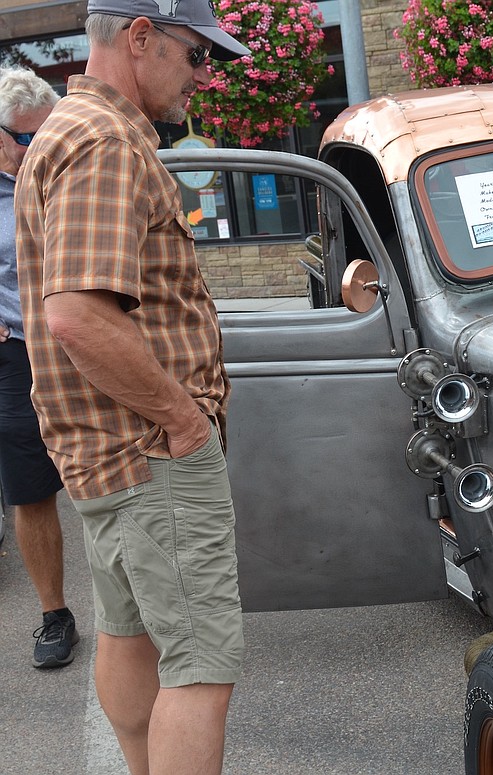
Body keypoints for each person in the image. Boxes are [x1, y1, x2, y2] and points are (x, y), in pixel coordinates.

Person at [14, 1, 248, 773]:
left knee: (127, 630)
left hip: (109, 453)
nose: (201, 76)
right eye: (196, 54)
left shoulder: (67, 132)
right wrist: (183, 421)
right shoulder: (106, 141)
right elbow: (78, 316)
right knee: (200, 665)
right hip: (152, 455)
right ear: (141, 37)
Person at [0, 67, 80, 670]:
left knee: (121, 469)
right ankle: (54, 614)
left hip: (86, 344)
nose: (36, 148)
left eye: (42, 135)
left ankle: (144, 605)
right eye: (25, 138)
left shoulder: (70, 172)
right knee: (31, 489)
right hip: (16, 353)